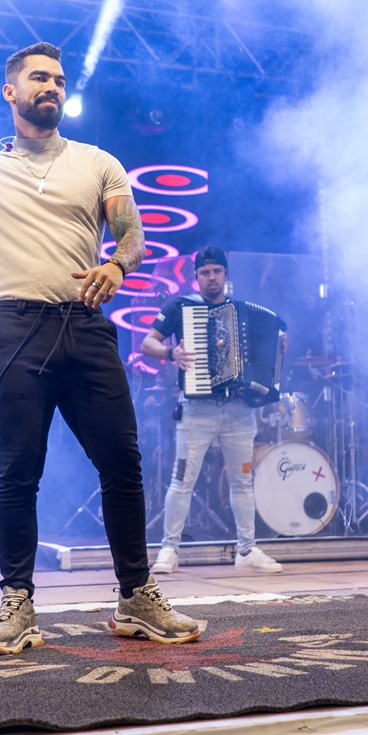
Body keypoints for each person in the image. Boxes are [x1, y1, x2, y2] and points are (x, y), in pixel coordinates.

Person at [0, 41, 201, 653]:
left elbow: (132, 236)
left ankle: (136, 597)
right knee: (18, 473)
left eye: (58, 79)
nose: (52, 86)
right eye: (39, 78)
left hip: (85, 326)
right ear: (10, 93)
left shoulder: (98, 162)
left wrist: (117, 265)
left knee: (122, 465)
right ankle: (17, 605)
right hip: (16, 329)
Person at [141, 246, 284, 575]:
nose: (211, 277)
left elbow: (270, 343)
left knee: (243, 481)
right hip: (196, 410)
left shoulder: (241, 311)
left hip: (238, 409)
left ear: (225, 274)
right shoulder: (181, 307)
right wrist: (171, 353)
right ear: (196, 276)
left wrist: (278, 345)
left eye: (217, 271)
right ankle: (169, 549)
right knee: (182, 480)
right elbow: (148, 343)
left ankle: (246, 550)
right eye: (205, 272)